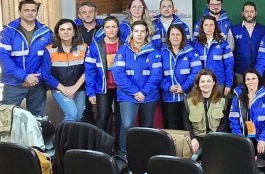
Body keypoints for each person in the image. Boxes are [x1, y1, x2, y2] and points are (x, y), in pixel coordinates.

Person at [112, 20, 162, 159]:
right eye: (136, 31)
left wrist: (143, 92)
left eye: (142, 31)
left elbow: (156, 75)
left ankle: (145, 153)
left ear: (146, 33)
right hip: (128, 95)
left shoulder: (154, 52)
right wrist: (135, 92)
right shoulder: (123, 50)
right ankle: (124, 154)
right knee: (127, 124)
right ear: (132, 33)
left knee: (147, 126)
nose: (139, 34)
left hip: (148, 95)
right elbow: (118, 74)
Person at [0, 0, 53, 117]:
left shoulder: (46, 32)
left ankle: (36, 136)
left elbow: (50, 59)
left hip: (37, 83)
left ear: (37, 12)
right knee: (7, 117)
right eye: (26, 10)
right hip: (13, 82)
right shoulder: (8, 32)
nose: (30, 13)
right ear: (20, 12)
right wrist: (24, 77)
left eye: (33, 10)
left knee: (37, 118)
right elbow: (3, 58)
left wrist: (36, 77)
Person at [41, 19, 87, 122]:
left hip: (79, 88)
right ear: (57, 32)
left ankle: (73, 138)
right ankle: (62, 138)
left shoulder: (83, 48)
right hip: (60, 89)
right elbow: (46, 75)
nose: (66, 32)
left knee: (79, 116)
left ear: (74, 32)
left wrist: (75, 88)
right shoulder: (50, 50)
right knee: (72, 115)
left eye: (69, 29)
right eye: (62, 29)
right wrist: (64, 89)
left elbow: (88, 70)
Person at [160, 24, 202, 130]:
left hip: (188, 95)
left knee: (188, 123)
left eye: (178, 34)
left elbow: (196, 72)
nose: (175, 37)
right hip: (169, 96)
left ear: (183, 36)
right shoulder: (161, 53)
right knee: (171, 123)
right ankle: (173, 146)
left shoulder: (190, 51)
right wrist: (168, 87)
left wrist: (184, 87)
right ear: (168, 37)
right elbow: (157, 75)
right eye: (172, 34)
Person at [85, 16, 121, 137]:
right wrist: (91, 92)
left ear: (118, 28)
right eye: (108, 27)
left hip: (122, 87)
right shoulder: (95, 46)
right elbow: (90, 71)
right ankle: (100, 146)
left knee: (121, 118)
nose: (111, 30)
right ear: (103, 29)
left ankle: (119, 149)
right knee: (103, 116)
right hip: (103, 87)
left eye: (114, 27)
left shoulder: (124, 45)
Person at [229, 69, 265, 159]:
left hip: (261, 137)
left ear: (258, 80)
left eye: (253, 78)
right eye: (248, 79)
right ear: (245, 81)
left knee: (260, 155)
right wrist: (240, 139)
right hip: (242, 136)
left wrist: (263, 139)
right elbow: (233, 120)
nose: (251, 81)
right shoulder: (237, 97)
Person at [186, 69, 231, 153]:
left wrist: (215, 138)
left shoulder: (223, 100)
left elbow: (224, 123)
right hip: (197, 138)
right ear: (198, 84)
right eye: (202, 81)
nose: (205, 84)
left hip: (217, 136)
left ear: (213, 83)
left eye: (208, 81)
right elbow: (186, 122)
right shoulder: (188, 100)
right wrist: (193, 139)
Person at [191, 15, 234, 96]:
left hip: (218, 82)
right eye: (206, 25)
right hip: (200, 83)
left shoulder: (223, 43)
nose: (209, 28)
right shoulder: (195, 44)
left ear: (215, 26)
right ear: (202, 27)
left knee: (217, 107)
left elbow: (229, 65)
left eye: (212, 25)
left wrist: (228, 84)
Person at [231, 1, 265, 85]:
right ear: (242, 13)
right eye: (246, 11)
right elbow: (229, 52)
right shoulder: (234, 29)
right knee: (241, 96)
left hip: (259, 72)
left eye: (252, 11)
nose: (249, 14)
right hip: (239, 72)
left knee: (258, 95)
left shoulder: (264, 30)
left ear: (256, 13)